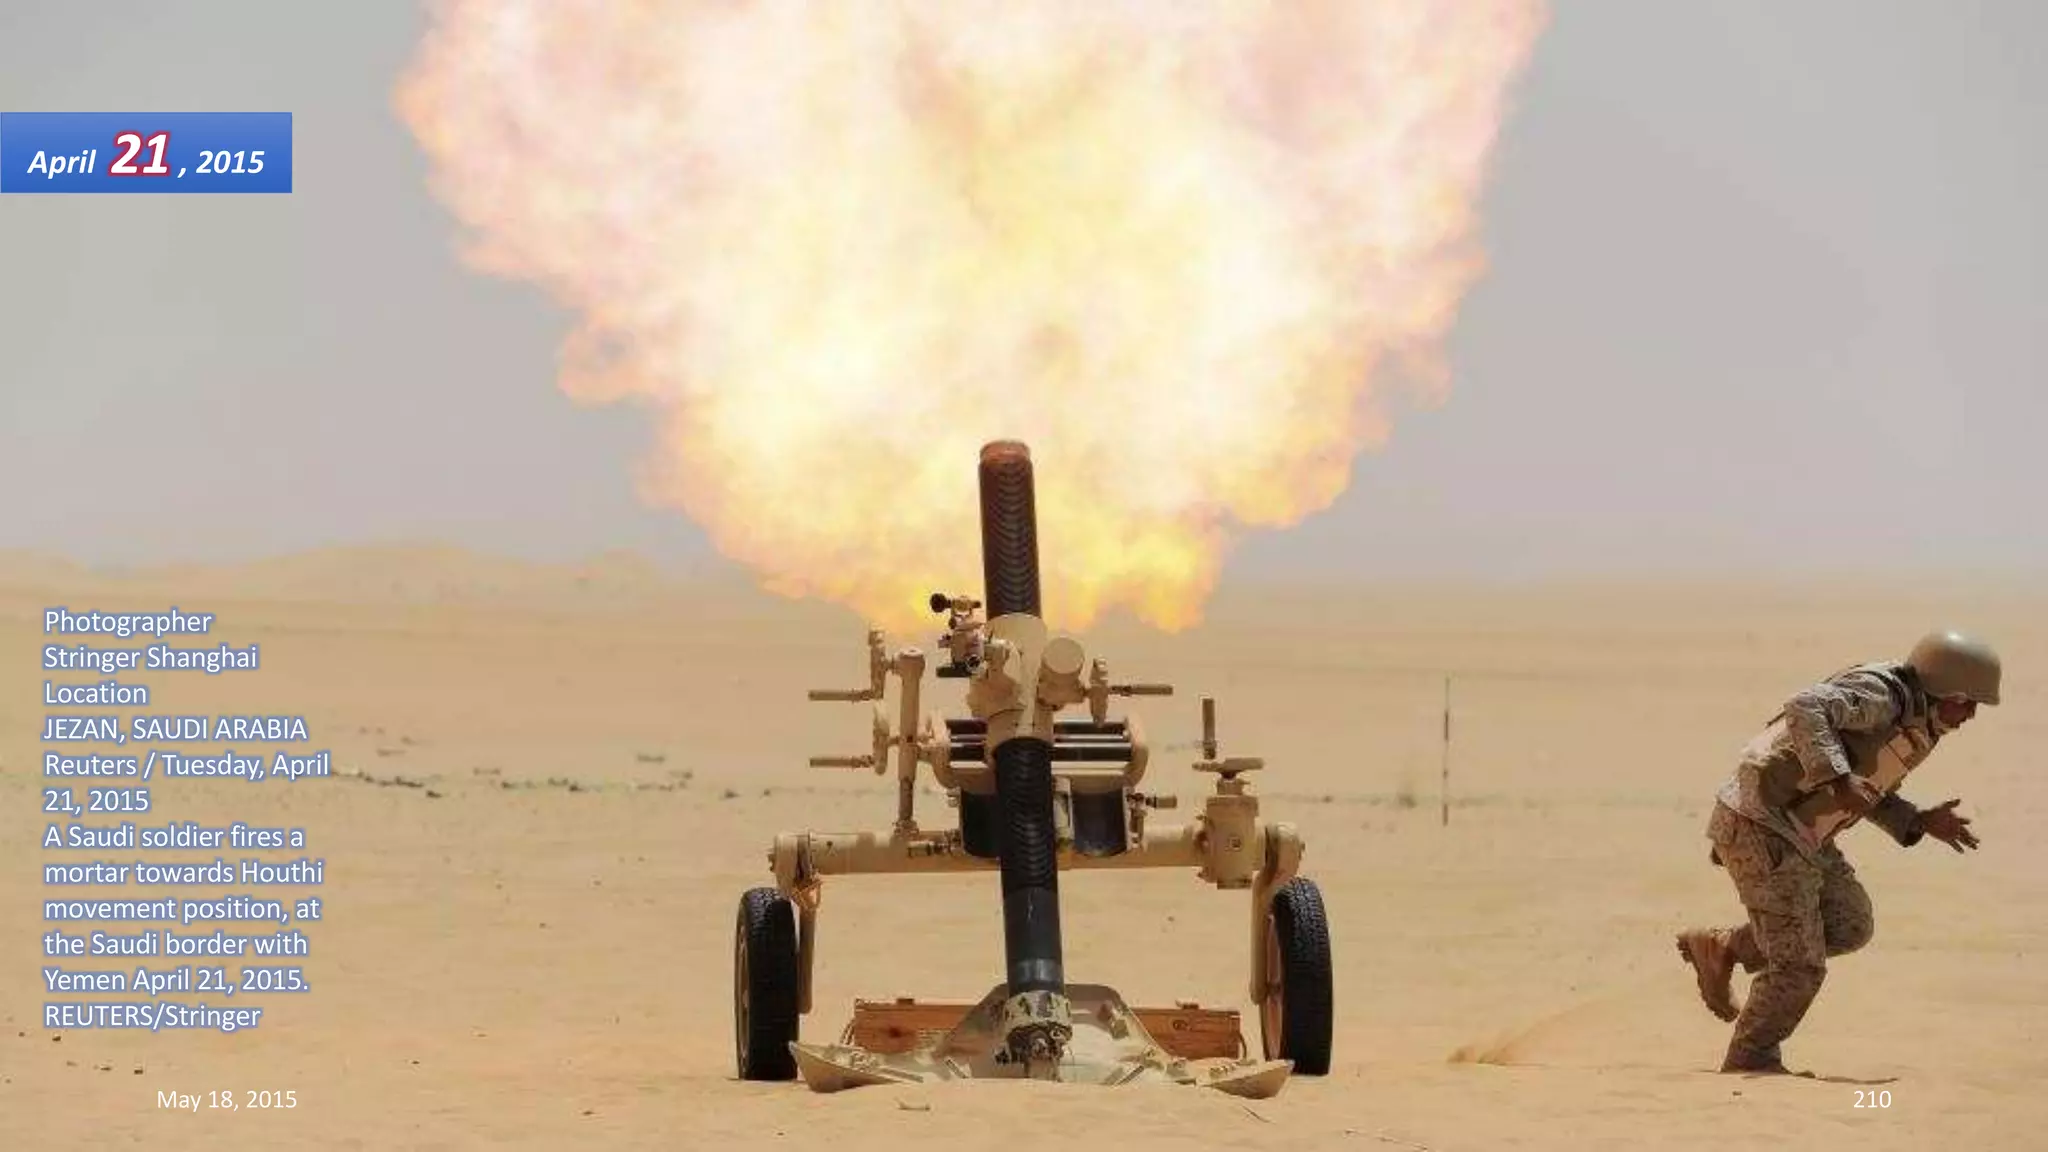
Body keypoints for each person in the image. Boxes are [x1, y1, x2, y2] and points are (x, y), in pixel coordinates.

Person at [1674, 629, 2000, 1074]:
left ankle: (1724, 947)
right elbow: (1805, 706)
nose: (1971, 716)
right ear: (1946, 689)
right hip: (1761, 824)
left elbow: (1865, 788)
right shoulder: (1882, 698)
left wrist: (1918, 820)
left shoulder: (1918, 722)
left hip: (1803, 833)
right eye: (1968, 702)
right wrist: (1838, 777)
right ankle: (1752, 1057)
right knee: (1799, 966)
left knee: (1849, 924)